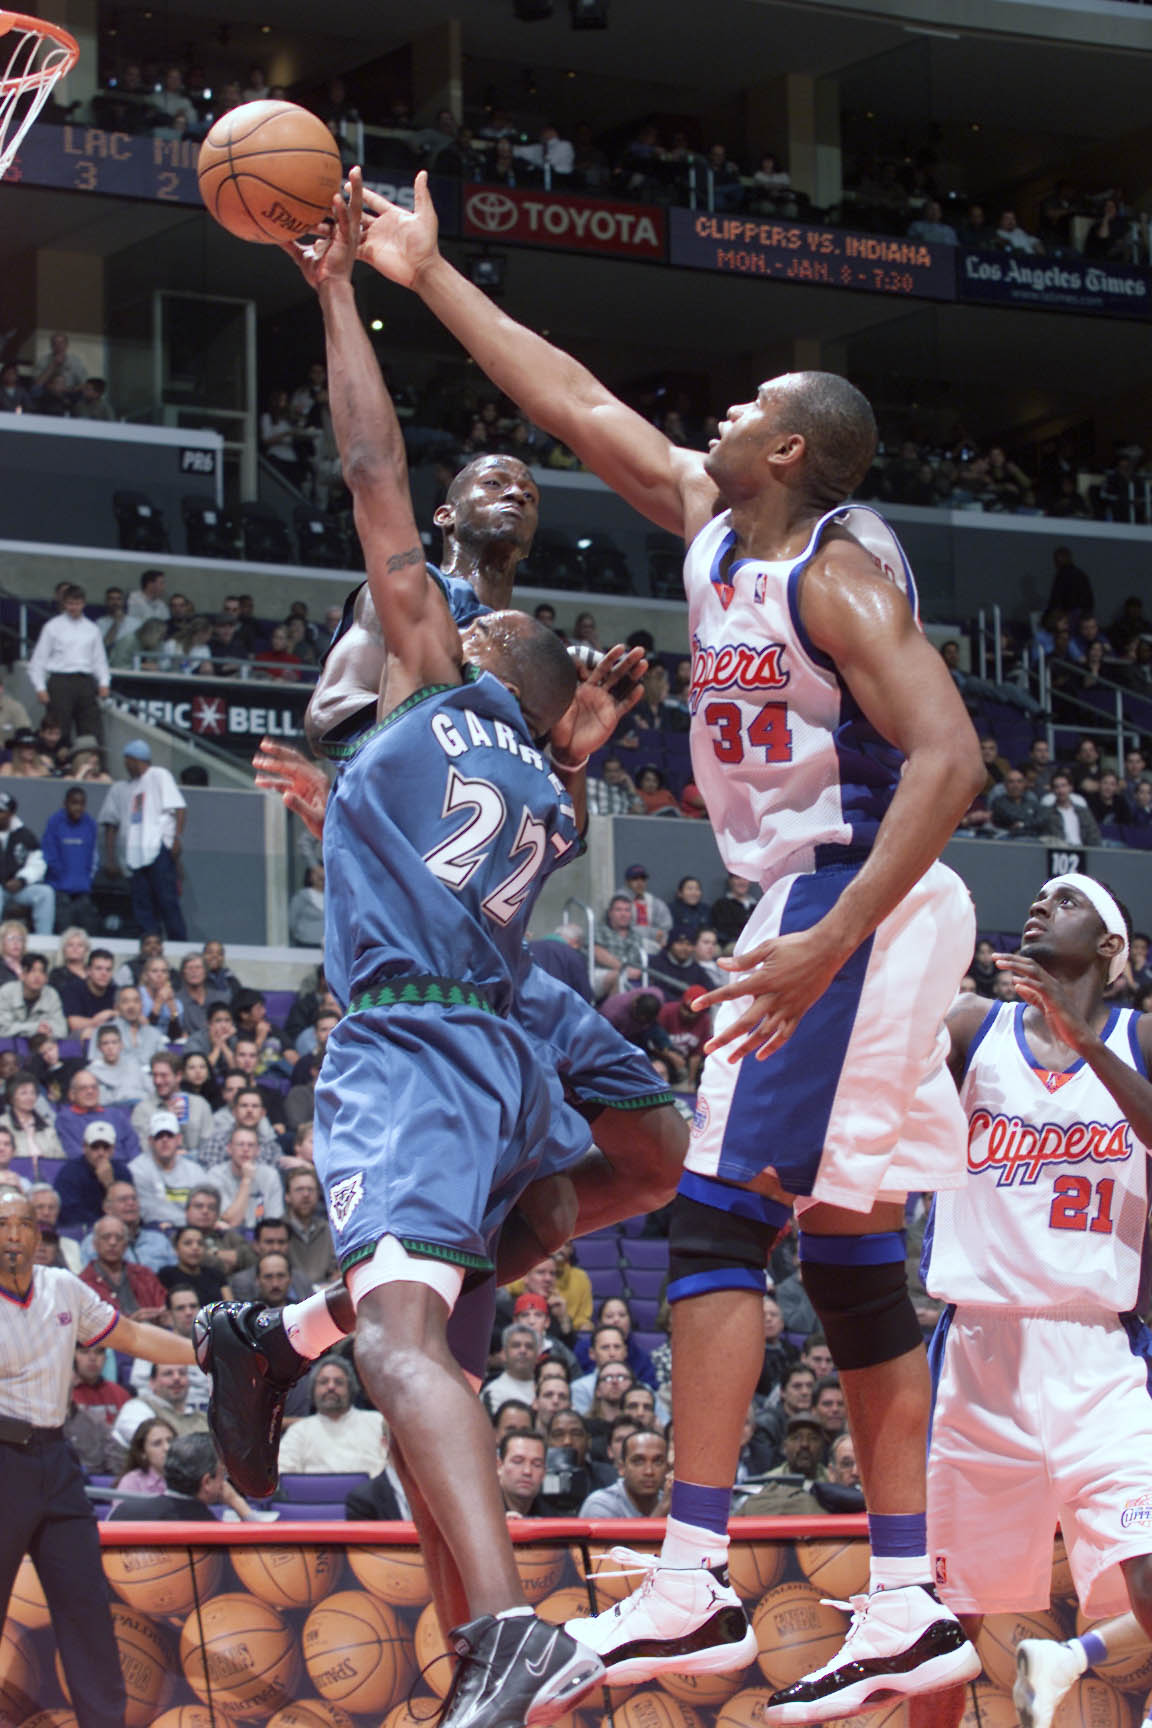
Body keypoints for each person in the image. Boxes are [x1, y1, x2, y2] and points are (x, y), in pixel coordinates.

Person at [353, 169, 985, 1709]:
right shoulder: (715, 528)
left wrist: (830, 939)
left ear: (788, 449)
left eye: (745, 406)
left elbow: (958, 762)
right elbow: (569, 400)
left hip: (856, 896)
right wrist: (428, 276)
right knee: (842, 1248)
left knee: (716, 1226)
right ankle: (906, 1596)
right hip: (839, 903)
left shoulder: (830, 569)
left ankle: (691, 1582)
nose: (712, 415)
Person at [197, 175, 610, 1727]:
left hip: (414, 1041)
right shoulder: (541, 784)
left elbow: (372, 466)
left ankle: (507, 1627)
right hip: (499, 1055)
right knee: (472, 1266)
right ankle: (268, 1337)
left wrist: (328, 297)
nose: (425, 615)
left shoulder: (436, 682)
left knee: (398, 1335)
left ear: (478, 659)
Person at [909, 875, 1152, 1728]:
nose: (1044, 902)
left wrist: (1085, 1041)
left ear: (1114, 951)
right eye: (1041, 895)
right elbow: (887, 1054)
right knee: (943, 1622)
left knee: (1148, 1565)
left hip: (1099, 1352)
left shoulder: (1142, 1040)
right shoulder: (977, 1025)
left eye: (1073, 899)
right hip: (979, 1354)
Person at [0, 1189, 195, 1728]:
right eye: (2, 1224)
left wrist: (202, 1349)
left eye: (24, 1223)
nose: (14, 1233)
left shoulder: (62, 1286)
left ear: (40, 1234)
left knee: (86, 1612)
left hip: (56, 1458)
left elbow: (131, 1336)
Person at [98, 740, 187, 940]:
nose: (125, 765)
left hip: (158, 850)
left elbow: (180, 808)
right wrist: (111, 859)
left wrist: (176, 838)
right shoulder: (123, 788)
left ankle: (179, 943)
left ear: (132, 760)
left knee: (166, 900)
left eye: (126, 761)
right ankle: (150, 944)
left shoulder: (158, 775)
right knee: (142, 904)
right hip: (134, 856)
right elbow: (110, 826)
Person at [277, 1356, 389, 1476]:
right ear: (313, 1389)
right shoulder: (299, 1431)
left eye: (339, 1382)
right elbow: (285, 1476)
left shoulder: (377, 1422)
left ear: (350, 1388)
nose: (331, 1387)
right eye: (324, 1382)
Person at [27, 584, 109, 745]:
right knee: (58, 728)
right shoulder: (52, 627)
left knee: (90, 729)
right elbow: (38, 660)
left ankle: (92, 766)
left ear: (83, 604)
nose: (74, 607)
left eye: (77, 603)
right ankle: (58, 764)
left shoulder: (92, 629)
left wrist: (104, 682)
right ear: (64, 604)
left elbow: (99, 660)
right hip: (60, 682)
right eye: (70, 603)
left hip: (85, 681)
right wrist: (40, 687)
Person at [55, 1121, 135, 1228]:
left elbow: (129, 1207)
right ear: (85, 1147)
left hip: (120, 1229)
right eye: (95, 1147)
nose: (101, 1152)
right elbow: (69, 1213)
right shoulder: (70, 1173)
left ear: (112, 1149)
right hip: (85, 1229)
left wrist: (110, 1185)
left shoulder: (122, 1171)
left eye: (106, 1147)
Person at [42, 787, 100, 932]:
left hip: (83, 889)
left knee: (88, 929)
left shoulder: (90, 824)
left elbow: (92, 856)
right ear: (65, 803)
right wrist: (61, 877)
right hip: (60, 889)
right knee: (64, 928)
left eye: (82, 804)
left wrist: (87, 880)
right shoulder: (55, 822)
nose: (78, 808)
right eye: (74, 803)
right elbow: (49, 854)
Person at [579, 1428, 669, 1518]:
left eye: (658, 1462)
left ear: (667, 1468)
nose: (649, 1471)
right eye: (638, 1462)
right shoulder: (599, 1504)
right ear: (622, 1467)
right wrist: (663, 1508)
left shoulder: (670, 1501)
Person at [0, 791, 55, 935]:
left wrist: (22, 880)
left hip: (18, 887)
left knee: (45, 893)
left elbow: (38, 863)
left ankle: (44, 941)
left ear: (11, 813)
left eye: (1, 811)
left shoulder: (25, 835)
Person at [0, 952, 67, 1039]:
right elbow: (3, 1029)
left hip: (38, 1044)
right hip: (10, 1043)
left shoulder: (51, 994)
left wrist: (23, 1029)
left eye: (41, 972)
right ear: (22, 975)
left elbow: (62, 1030)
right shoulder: (7, 991)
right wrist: (35, 1028)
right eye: (32, 971)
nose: (37, 976)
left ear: (46, 978)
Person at [113, 1414, 176, 1494]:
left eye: (170, 1441)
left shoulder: (190, 1478)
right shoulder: (131, 1482)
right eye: (157, 1443)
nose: (167, 1448)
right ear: (142, 1452)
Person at [497, 1428, 548, 1516]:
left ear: (544, 1473)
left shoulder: (552, 1520)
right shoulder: (480, 1512)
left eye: (536, 1464)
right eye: (518, 1461)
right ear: (499, 1466)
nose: (527, 1471)